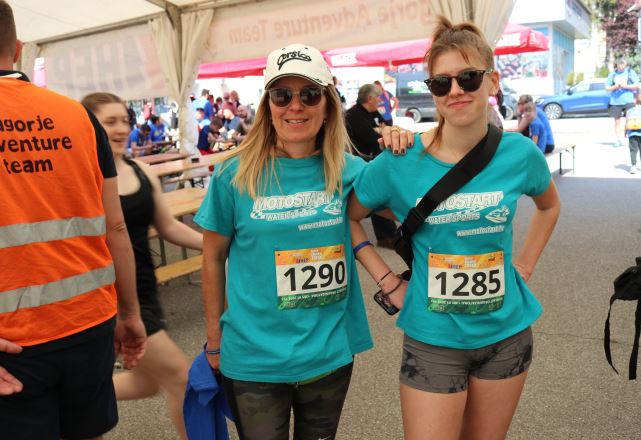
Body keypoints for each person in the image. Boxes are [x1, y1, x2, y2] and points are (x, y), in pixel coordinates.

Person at [348, 16, 560, 440]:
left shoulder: (519, 154)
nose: (456, 91)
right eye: (441, 83)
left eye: (468, 77)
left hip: (506, 335)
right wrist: (387, 280)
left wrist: (524, 266)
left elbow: (549, 205)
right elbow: (350, 216)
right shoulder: (399, 160)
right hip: (433, 339)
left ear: (492, 81)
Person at [194, 43, 375, 440]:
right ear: (268, 105)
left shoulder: (351, 171)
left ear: (327, 104)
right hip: (254, 356)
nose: (296, 106)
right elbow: (212, 258)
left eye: (309, 94)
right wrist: (214, 340)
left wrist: (405, 144)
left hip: (328, 351)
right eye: (282, 95)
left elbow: (410, 199)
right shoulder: (233, 174)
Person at [0, 2, 147, 439]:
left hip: (13, 340)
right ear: (19, 49)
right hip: (88, 324)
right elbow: (115, 226)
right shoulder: (77, 116)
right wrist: (130, 313)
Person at [81, 92, 202, 439]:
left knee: (147, 382)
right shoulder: (84, 178)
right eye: (110, 122)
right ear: (89, 128)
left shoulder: (141, 171)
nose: (121, 128)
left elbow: (169, 227)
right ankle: (70, 397)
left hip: (145, 291)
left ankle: (70, 396)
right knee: (180, 378)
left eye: (125, 120)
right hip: (113, 297)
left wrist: (217, 247)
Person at [345, 83, 398, 249]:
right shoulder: (353, 115)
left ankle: (388, 234)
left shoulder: (372, 112)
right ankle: (387, 236)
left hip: (376, 158)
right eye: (378, 98)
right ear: (369, 98)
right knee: (379, 194)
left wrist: (380, 130)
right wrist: (379, 131)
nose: (380, 101)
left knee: (384, 192)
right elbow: (370, 137)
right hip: (362, 162)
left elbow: (387, 126)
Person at [606, 57, 641, 147]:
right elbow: (607, 88)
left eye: (623, 65)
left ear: (625, 64)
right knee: (617, 122)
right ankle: (618, 140)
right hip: (615, 102)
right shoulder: (613, 74)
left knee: (630, 121)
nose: (622, 67)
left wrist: (626, 86)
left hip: (628, 101)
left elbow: (637, 85)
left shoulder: (630, 72)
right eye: (620, 65)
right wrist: (615, 87)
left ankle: (631, 140)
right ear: (617, 64)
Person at [625, 91, 641, 174]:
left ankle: (633, 166)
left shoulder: (629, 111)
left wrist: (625, 132)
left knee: (633, 150)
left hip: (632, 133)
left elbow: (626, 122)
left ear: (635, 100)